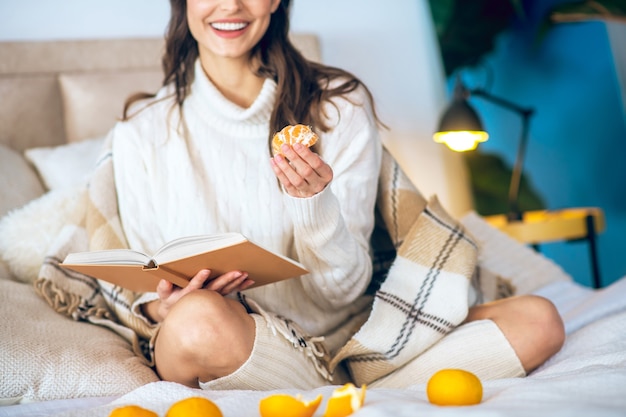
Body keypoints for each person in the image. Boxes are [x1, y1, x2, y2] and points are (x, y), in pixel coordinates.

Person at [102, 0, 564, 391]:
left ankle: (336, 387)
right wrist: (163, 304)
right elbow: (144, 283)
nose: (231, 6)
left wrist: (314, 203)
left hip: (354, 338)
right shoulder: (141, 131)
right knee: (195, 322)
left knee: (539, 320)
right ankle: (347, 392)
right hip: (231, 335)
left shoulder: (338, 107)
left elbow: (341, 294)